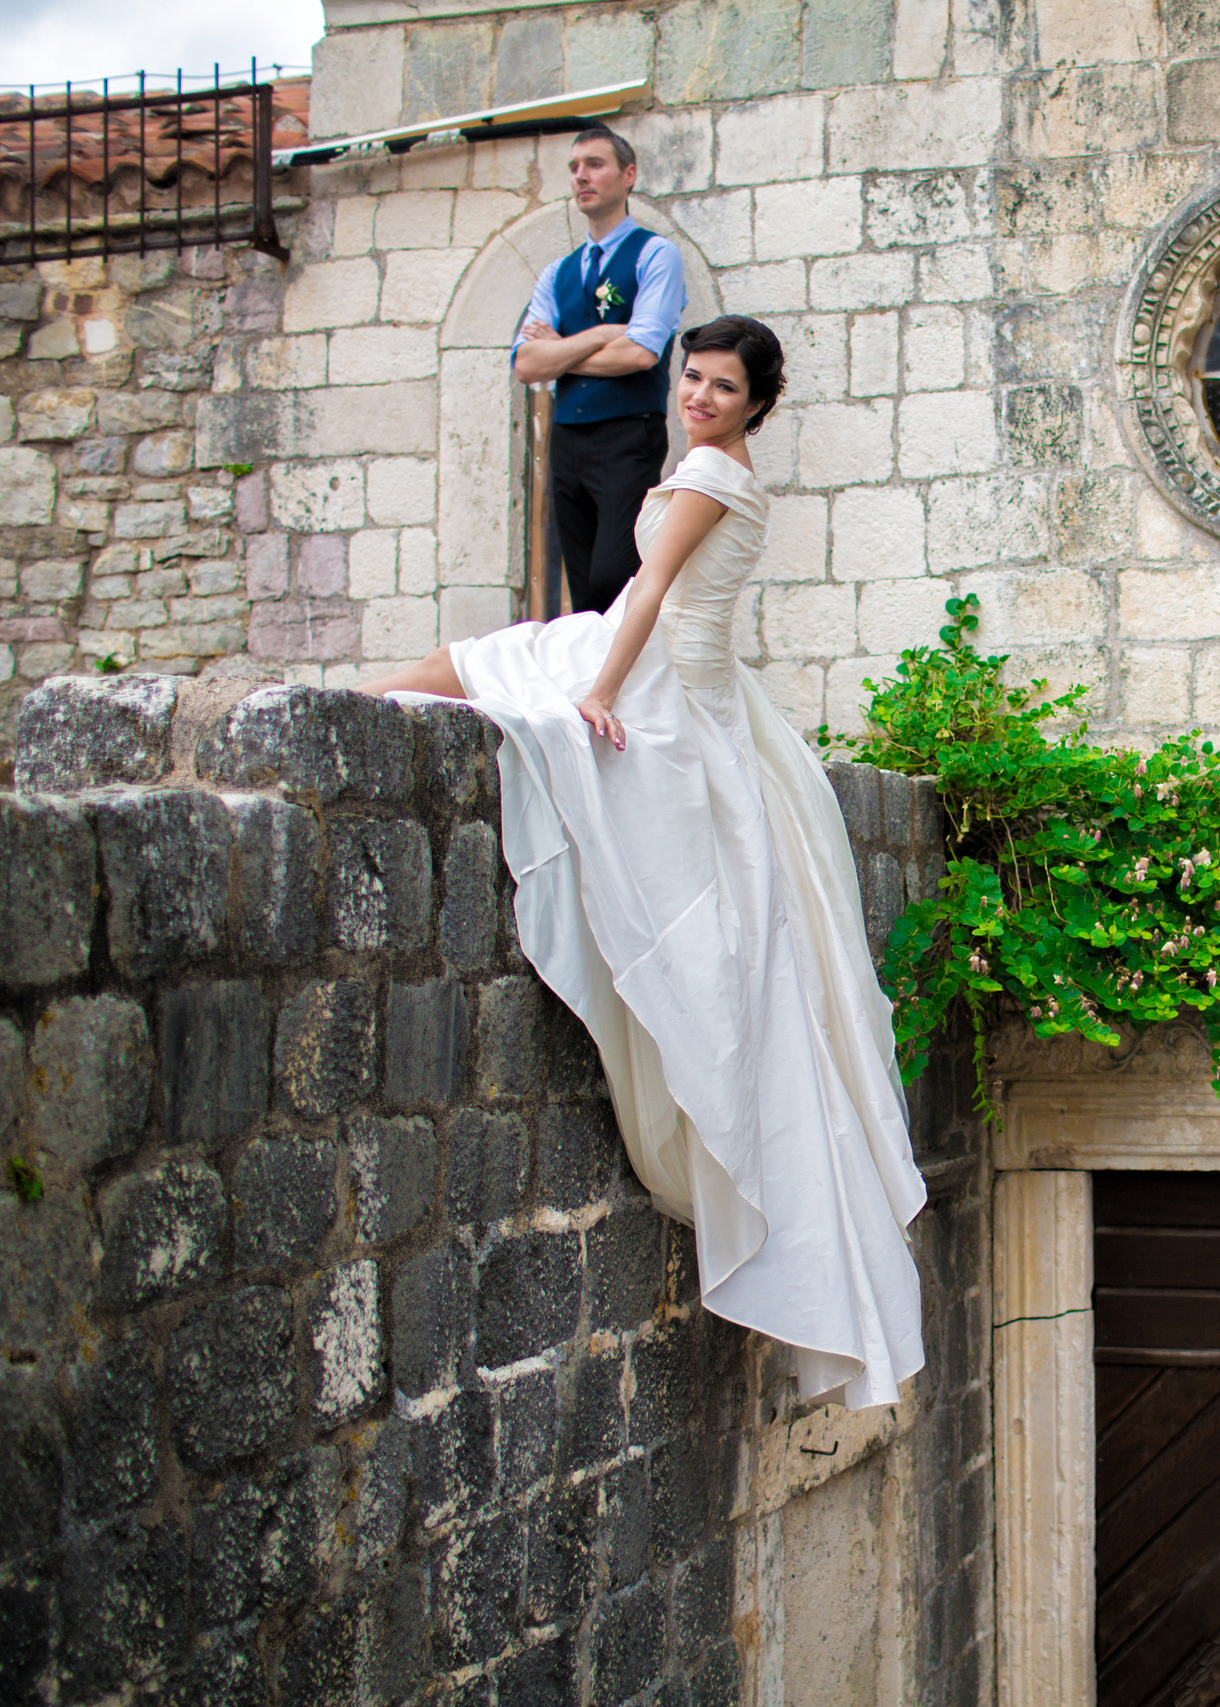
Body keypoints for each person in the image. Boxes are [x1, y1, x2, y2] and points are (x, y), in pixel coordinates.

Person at [364, 318, 926, 1410]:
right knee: (492, 660)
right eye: (693, 380)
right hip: (698, 685)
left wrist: (603, 692)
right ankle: (356, 696)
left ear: (756, 404)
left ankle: (345, 700)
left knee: (495, 664)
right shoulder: (731, 465)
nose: (701, 398)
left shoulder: (713, 470)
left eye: (722, 387)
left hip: (660, 676)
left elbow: (653, 590)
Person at [512, 127, 688, 614]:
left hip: (628, 434)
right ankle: (592, 682)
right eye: (573, 168)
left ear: (628, 175)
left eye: (594, 164)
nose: (581, 176)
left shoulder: (655, 255)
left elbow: (640, 353)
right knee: (584, 583)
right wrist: (601, 334)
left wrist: (562, 353)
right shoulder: (557, 272)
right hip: (568, 440)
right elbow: (526, 364)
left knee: (617, 573)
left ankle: (630, 679)